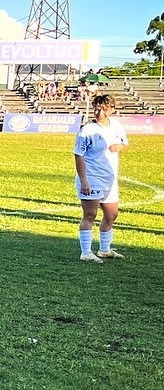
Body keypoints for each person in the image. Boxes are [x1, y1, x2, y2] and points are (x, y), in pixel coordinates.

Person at [74, 93, 129, 263]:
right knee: (90, 214)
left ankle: (105, 249)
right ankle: (86, 252)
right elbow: (78, 155)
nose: (99, 113)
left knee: (112, 214)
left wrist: (119, 147)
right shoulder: (87, 130)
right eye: (97, 109)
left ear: (111, 110)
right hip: (92, 178)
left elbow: (125, 145)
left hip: (109, 179)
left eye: (104, 109)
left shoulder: (117, 126)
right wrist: (84, 180)